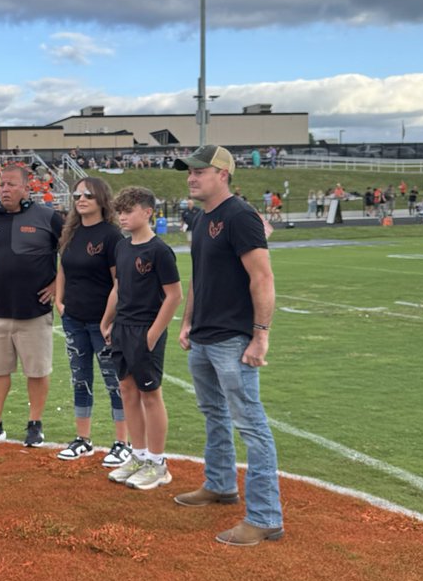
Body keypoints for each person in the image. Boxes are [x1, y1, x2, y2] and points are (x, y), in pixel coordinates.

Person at [173, 145, 284, 546]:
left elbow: (263, 278)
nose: (191, 177)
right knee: (213, 414)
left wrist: (260, 334)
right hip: (203, 335)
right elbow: (199, 278)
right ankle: (220, 484)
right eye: (189, 172)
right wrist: (187, 321)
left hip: (233, 339)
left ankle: (265, 516)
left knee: (251, 425)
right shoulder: (203, 218)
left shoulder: (239, 215)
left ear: (223, 174)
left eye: (199, 171)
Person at [0, 163, 63, 448]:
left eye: (10, 184)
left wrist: (58, 285)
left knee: (37, 371)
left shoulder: (47, 217)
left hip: (35, 311)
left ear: (25, 187)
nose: (4, 189)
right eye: (1, 184)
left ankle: (35, 424)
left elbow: (70, 249)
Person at [100, 187, 182, 490]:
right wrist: (106, 321)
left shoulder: (159, 250)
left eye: (128, 210)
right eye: (119, 211)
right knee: (127, 390)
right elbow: (118, 288)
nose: (122, 216)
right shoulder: (122, 247)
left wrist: (152, 335)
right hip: (122, 328)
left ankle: (158, 463)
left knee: (150, 394)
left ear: (147, 212)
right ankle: (138, 455)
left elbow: (174, 296)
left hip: (146, 330)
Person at [53, 177, 129, 466]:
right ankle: (83, 440)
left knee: (114, 382)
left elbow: (118, 282)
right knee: (80, 380)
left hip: (103, 323)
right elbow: (63, 269)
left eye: (87, 194)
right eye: (76, 194)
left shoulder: (111, 235)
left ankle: (122, 442)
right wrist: (60, 303)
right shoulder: (70, 232)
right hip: (74, 319)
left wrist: (108, 320)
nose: (80, 199)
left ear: (101, 199)